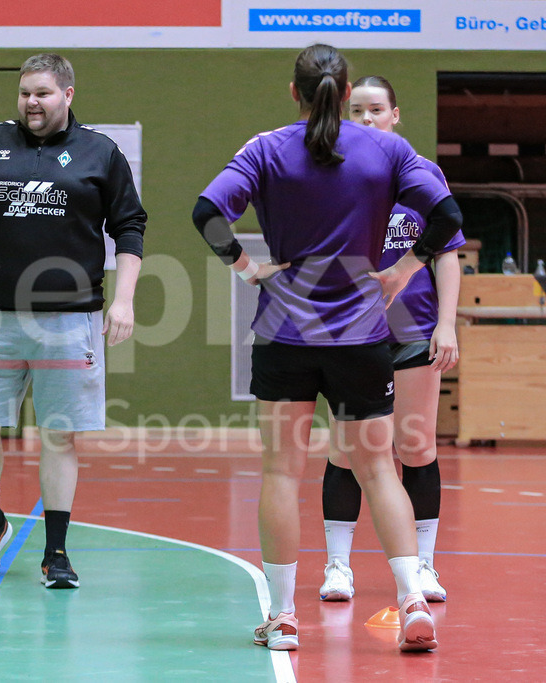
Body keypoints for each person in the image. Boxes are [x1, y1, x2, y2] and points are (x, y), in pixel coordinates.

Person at [192, 44, 462, 652]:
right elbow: (445, 214)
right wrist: (406, 267)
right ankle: (412, 600)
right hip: (364, 337)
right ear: (346, 96)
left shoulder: (264, 149)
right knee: (377, 469)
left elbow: (207, 211)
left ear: (294, 92)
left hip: (286, 336)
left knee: (281, 473)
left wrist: (245, 266)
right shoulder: (389, 150)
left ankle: (284, 618)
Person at [0, 53, 146, 589]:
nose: (32, 101)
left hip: (71, 318)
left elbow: (129, 228)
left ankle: (56, 552)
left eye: (44, 93)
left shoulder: (101, 153)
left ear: (68, 95)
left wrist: (122, 301)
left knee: (59, 436)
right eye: (26, 92)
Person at [319, 75, 463, 604]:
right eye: (355, 110)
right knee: (345, 448)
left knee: (416, 446)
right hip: (351, 334)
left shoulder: (422, 175)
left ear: (395, 115)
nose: (365, 119)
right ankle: (338, 566)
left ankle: (424, 566)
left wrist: (446, 324)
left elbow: (447, 253)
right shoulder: (332, 175)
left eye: (376, 109)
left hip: (413, 330)